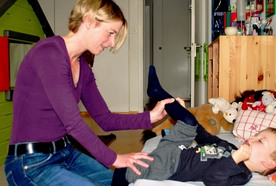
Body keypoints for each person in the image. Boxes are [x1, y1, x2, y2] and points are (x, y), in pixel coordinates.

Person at [4, 1, 174, 186]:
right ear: (89, 21)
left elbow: (105, 119)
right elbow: (74, 124)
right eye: (111, 33)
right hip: (31, 163)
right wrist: (115, 159)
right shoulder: (49, 53)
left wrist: (151, 116)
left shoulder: (83, 68)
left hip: (66, 153)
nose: (112, 43)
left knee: (120, 183)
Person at [114, 65, 276, 186]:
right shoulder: (231, 147)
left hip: (171, 166)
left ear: (267, 162)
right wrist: (184, 116)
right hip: (178, 149)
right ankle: (158, 93)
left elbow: (212, 179)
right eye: (257, 135)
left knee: (127, 171)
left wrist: (234, 159)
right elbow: (205, 138)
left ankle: (158, 93)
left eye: (260, 141)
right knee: (191, 122)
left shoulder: (241, 175)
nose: (252, 137)